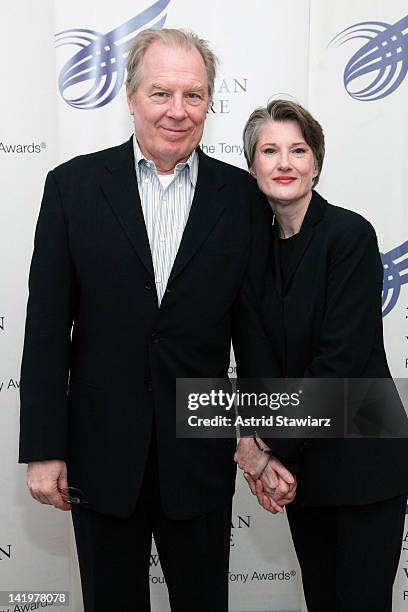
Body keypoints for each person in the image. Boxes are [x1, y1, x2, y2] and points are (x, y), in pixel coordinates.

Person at [18, 29, 293, 612]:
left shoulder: (241, 197)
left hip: (198, 455)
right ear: (130, 95)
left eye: (193, 95)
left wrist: (261, 440)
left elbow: (253, 334)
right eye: (161, 92)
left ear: (209, 103)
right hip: (99, 454)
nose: (177, 110)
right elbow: (46, 328)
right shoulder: (72, 187)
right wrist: (44, 447)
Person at [235, 99, 408, 611]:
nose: (284, 163)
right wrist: (260, 446)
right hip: (304, 468)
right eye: (270, 151)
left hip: (364, 463)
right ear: (253, 167)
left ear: (316, 162)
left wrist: (266, 446)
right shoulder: (250, 251)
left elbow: (340, 362)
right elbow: (256, 364)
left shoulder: (349, 236)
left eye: (298, 150)